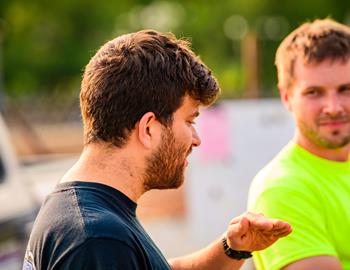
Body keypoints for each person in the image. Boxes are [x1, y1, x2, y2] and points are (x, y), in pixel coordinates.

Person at [23, 29, 291, 270]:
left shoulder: (86, 218)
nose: (196, 139)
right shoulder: (98, 239)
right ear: (149, 128)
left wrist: (232, 248)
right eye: (189, 120)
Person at [248, 18, 350, 270]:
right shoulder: (282, 190)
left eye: (346, 89)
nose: (334, 108)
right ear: (287, 96)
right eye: (314, 92)